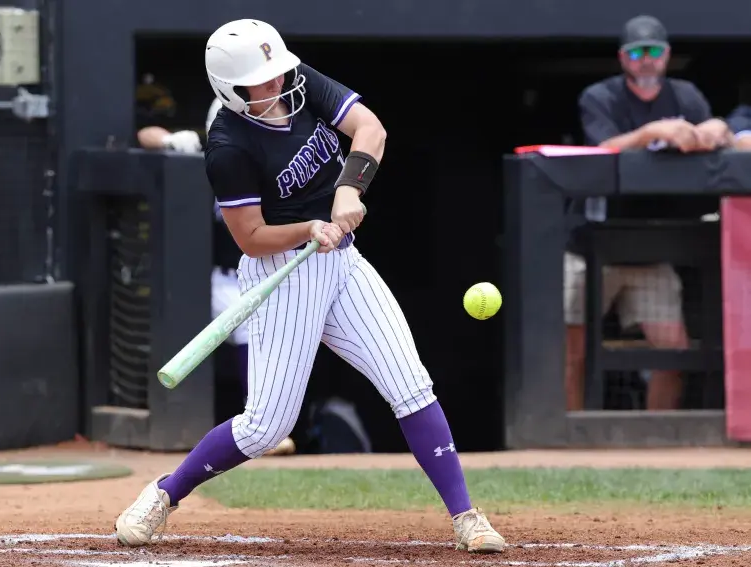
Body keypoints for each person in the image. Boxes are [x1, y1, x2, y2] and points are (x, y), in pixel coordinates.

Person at [115, 18, 506, 553]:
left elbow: (371, 129)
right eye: (262, 79)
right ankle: (165, 493)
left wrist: (349, 189)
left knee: (411, 385)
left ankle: (466, 517)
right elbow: (251, 238)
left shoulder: (298, 79)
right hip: (282, 275)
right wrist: (308, 228)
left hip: (343, 264)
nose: (277, 82)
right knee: (266, 428)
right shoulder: (228, 146)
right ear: (232, 89)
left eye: (277, 71)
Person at [566, 15, 732, 411]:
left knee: (672, 352)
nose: (646, 59)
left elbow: (714, 138)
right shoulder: (600, 97)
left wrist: (716, 130)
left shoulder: (686, 96)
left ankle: (657, 436)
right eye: (637, 52)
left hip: (650, 249)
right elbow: (601, 151)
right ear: (623, 58)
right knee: (571, 352)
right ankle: (563, 437)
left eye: (654, 51)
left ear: (667, 55)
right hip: (591, 245)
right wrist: (653, 132)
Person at [135, 98, 296, 457]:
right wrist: (170, 141)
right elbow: (144, 134)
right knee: (214, 330)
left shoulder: (269, 160)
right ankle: (237, 423)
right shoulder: (205, 149)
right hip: (204, 277)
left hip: (253, 273)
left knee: (264, 332)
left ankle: (262, 424)